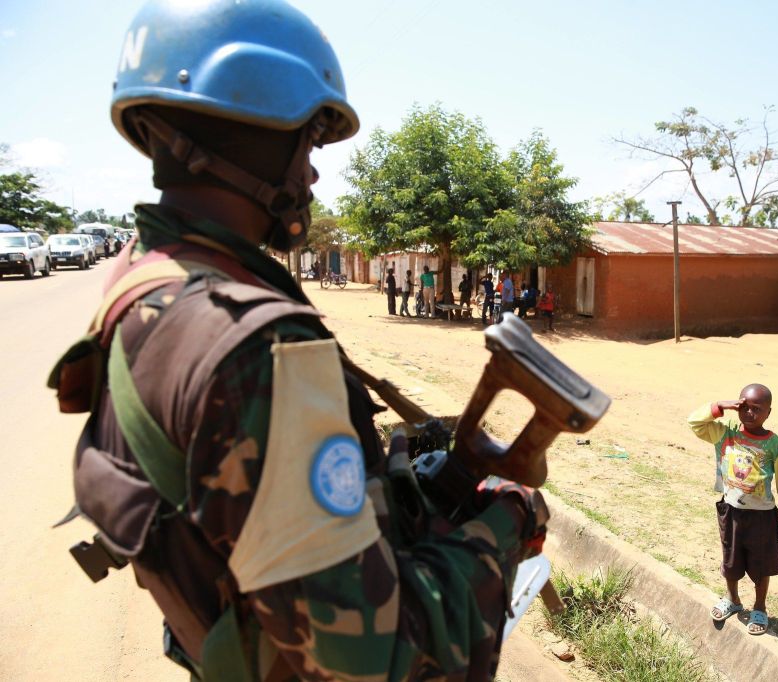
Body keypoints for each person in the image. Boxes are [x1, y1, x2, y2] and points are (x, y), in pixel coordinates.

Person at [49, 2, 547, 679]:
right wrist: (505, 521)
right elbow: (364, 655)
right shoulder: (256, 346)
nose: (311, 173)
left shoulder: (144, 282)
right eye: (307, 143)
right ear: (249, 125)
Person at [687, 384, 778, 636]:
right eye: (744, 407)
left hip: (762, 516)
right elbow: (694, 422)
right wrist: (721, 406)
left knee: (761, 565)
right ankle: (733, 599)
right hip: (731, 510)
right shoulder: (725, 433)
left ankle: (760, 606)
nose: (749, 413)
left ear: (768, 413)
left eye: (756, 409)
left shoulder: (774, 445)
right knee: (730, 559)